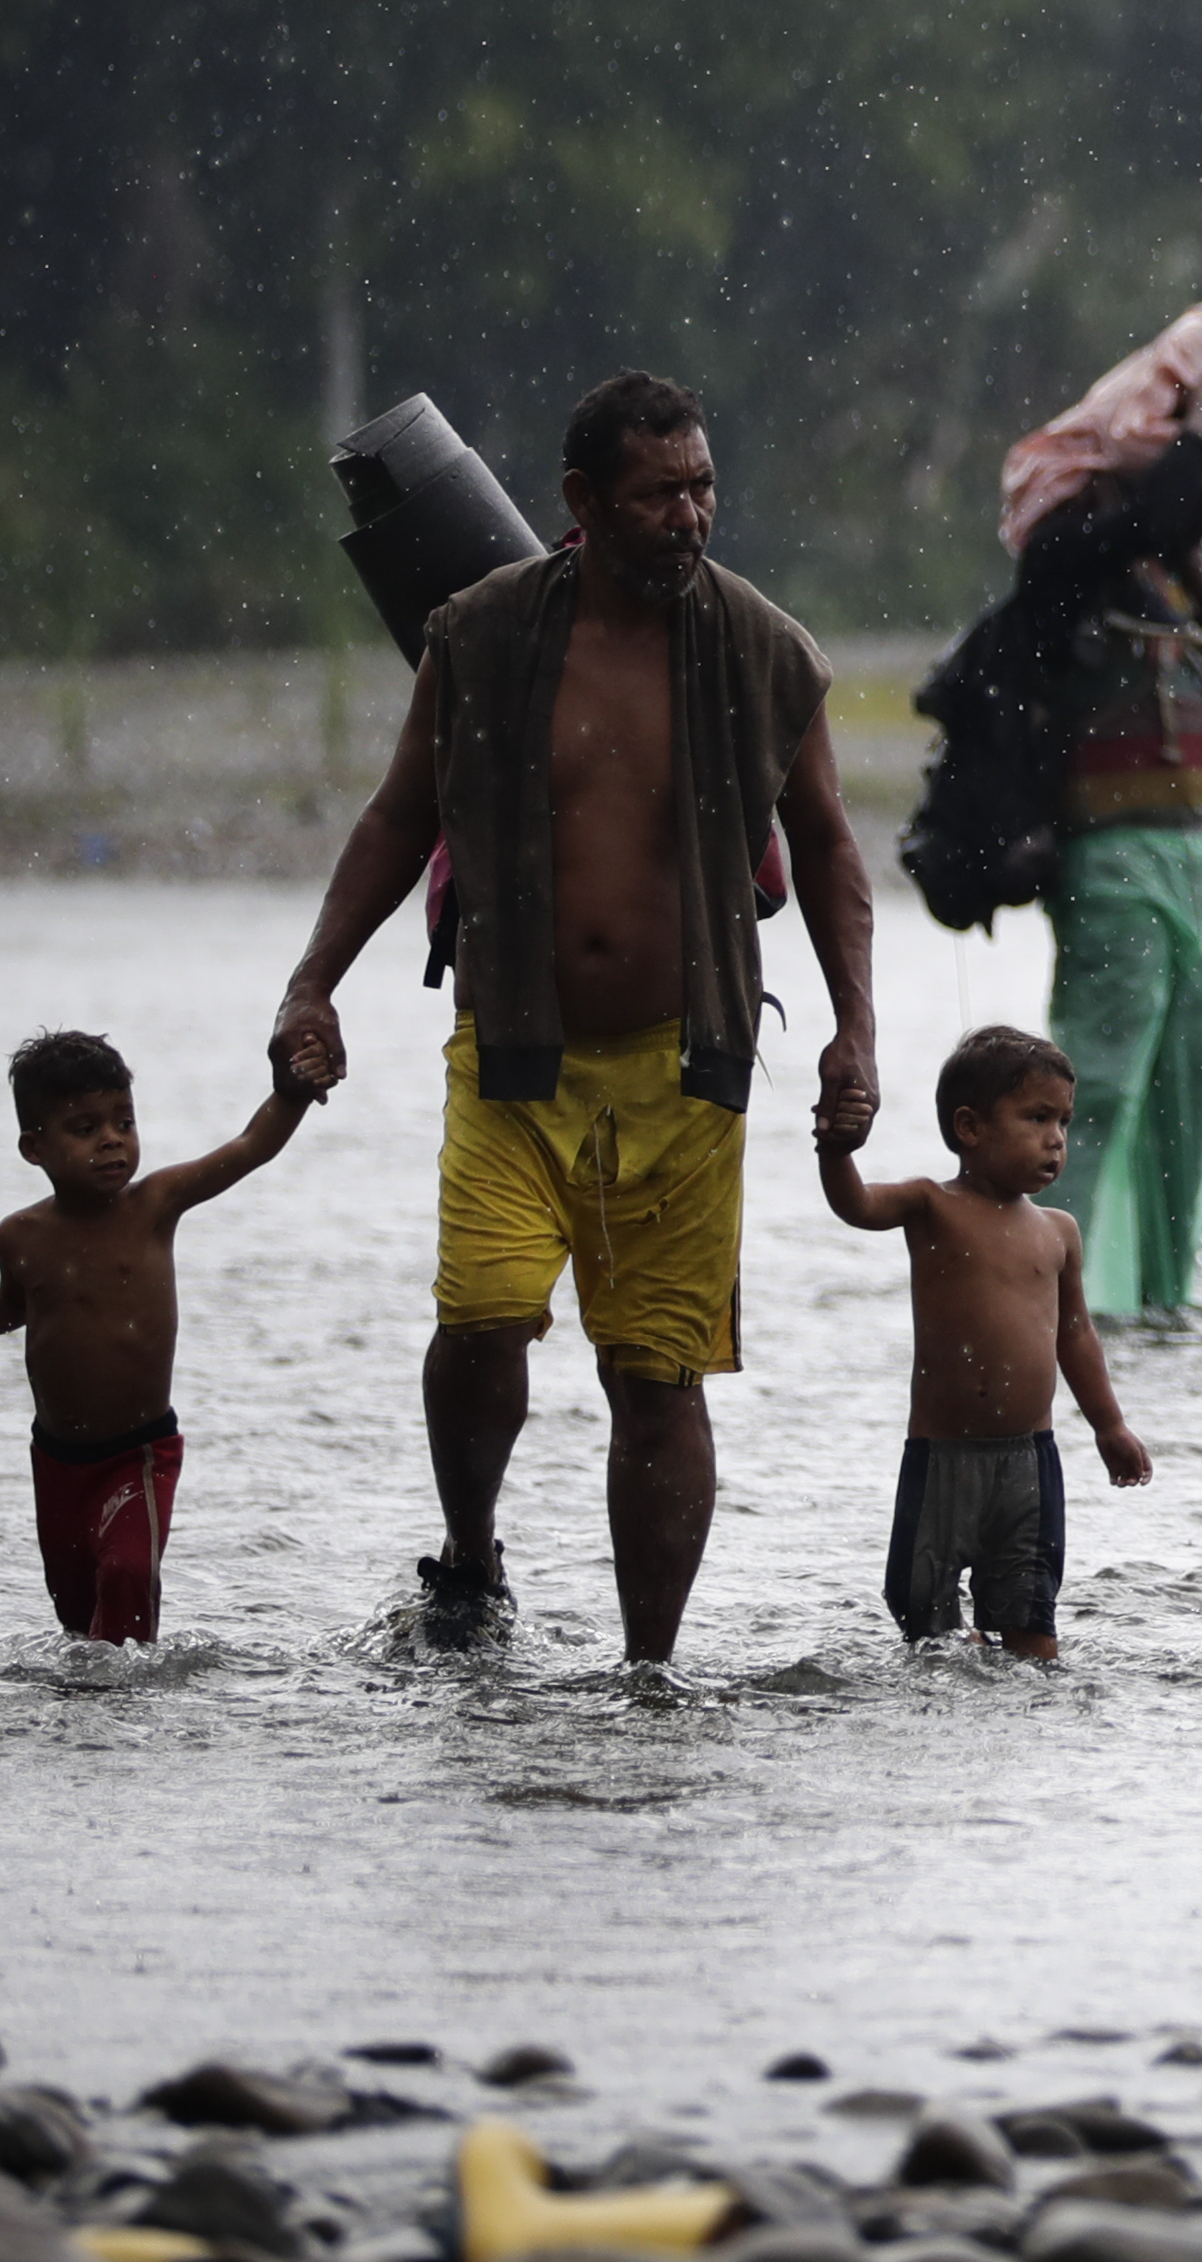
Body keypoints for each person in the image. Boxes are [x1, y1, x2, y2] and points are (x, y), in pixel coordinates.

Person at [278, 371, 876, 1662]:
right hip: (515, 1059)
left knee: (655, 1378)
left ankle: (648, 1668)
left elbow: (827, 847)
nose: (692, 516)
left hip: (688, 1066)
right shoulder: (484, 634)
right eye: (661, 494)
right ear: (582, 502)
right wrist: (312, 979)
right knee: (482, 1315)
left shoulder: (762, 650)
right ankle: (471, 1559)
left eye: (704, 487)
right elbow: (400, 817)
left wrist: (853, 1031)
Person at [997, 304, 1202, 1324]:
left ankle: (1164, 1302)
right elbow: (1145, 516)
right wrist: (1189, 451)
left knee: (1193, 1089)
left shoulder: (1177, 579)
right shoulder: (1072, 559)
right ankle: (1048, 1300)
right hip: (1114, 861)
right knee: (1092, 1093)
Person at [0, 1026, 336, 1643]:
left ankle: (135, 1718)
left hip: (139, 1453)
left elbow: (250, 1146)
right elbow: (18, 1306)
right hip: (56, 1461)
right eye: (85, 1129)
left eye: (124, 1123)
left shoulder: (155, 1205)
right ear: (34, 1147)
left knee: (128, 1577)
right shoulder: (19, 1237)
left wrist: (290, 1093)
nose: (112, 1141)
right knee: (77, 1616)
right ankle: (88, 1726)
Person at [820, 1026, 1150, 1660]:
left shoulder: (1059, 1232)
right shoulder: (931, 1204)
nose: (1057, 1138)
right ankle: (959, 1690)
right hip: (943, 1457)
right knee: (922, 1612)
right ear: (969, 1128)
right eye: (1036, 1117)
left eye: (1063, 1120)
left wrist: (1109, 1425)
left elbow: (1076, 1337)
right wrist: (836, 1151)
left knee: (1031, 1616)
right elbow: (856, 1205)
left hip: (1029, 1460)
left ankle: (1030, 1721)